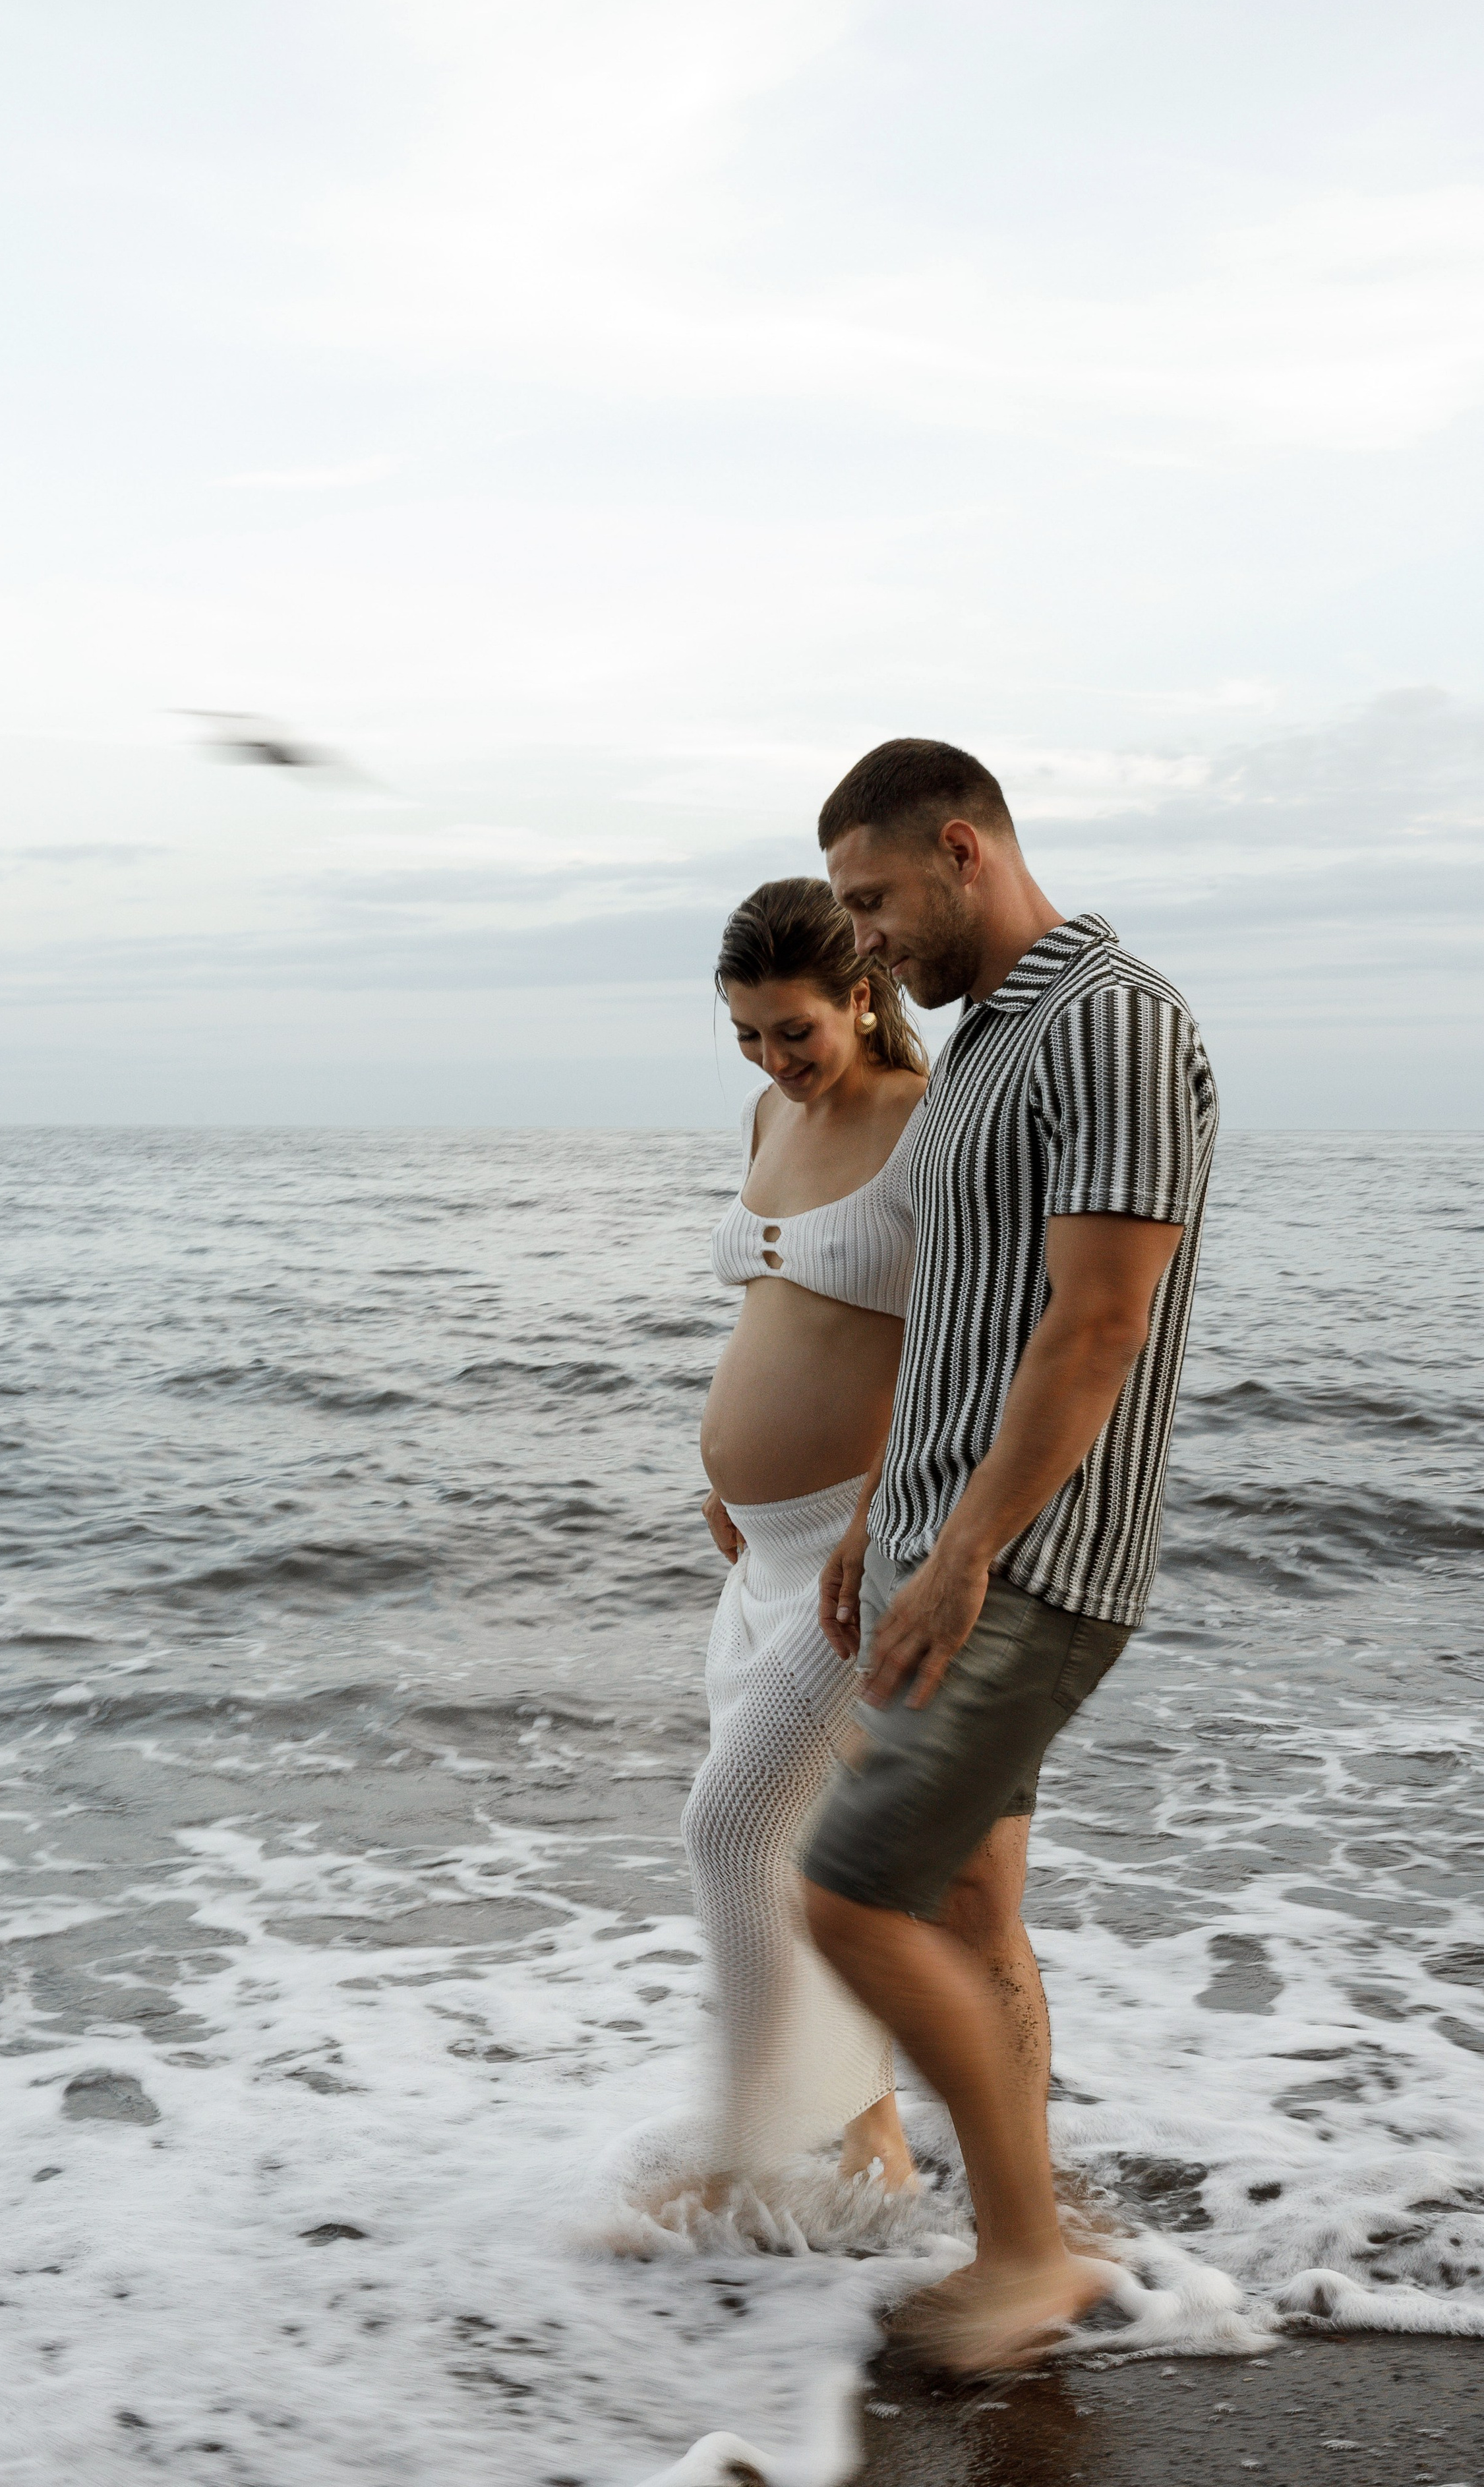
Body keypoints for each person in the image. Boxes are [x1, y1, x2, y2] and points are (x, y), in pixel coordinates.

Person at [798, 738, 1218, 2371]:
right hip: (935, 1542)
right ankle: (1027, 2226)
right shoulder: (986, 1047)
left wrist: (964, 1552)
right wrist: (872, 1517)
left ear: (960, 850)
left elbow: (1096, 1323)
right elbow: (965, 1315)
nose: (861, 941)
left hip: (1027, 1567)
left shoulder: (1111, 1017)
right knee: (968, 1907)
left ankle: (1025, 2256)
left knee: (845, 1896)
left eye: (873, 900)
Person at [676, 877, 930, 2202]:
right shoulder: (767, 1113)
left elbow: (966, 1351)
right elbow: (774, 1306)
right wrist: (722, 1469)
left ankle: (736, 2155)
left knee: (729, 1828)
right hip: (759, 1552)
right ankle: (867, 2134)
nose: (773, 1060)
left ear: (858, 994)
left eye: (793, 1031)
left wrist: (880, 1514)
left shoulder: (923, 1125)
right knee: (799, 1845)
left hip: (855, 1552)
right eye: (744, 1035)